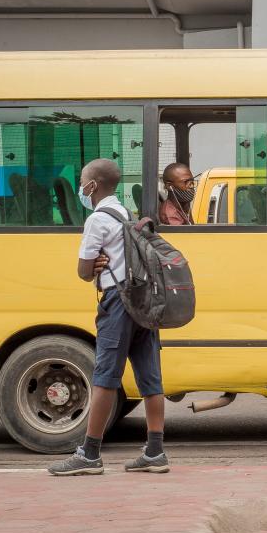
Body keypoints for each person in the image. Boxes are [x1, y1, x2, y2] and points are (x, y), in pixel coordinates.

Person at [48, 158, 169, 475]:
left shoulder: (98, 220)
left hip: (118, 302)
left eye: (82, 182)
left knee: (104, 377)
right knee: (150, 378)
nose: (80, 188)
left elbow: (84, 271)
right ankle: (155, 451)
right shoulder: (126, 214)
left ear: (92, 186)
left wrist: (95, 265)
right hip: (143, 302)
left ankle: (89, 454)